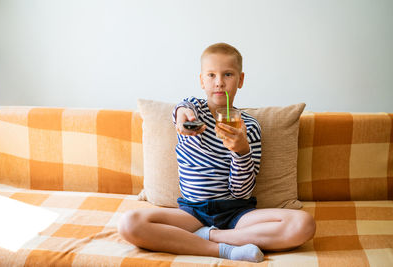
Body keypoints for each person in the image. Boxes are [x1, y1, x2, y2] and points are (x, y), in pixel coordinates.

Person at [118, 43, 316, 263]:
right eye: (211, 75)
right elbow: (182, 109)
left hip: (237, 213)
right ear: (202, 80)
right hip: (192, 212)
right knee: (129, 223)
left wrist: (241, 152)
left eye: (228, 74)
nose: (219, 81)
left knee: (303, 224)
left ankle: (211, 236)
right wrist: (184, 117)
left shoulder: (249, 126)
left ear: (240, 80)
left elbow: (241, 192)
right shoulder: (193, 110)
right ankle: (226, 250)